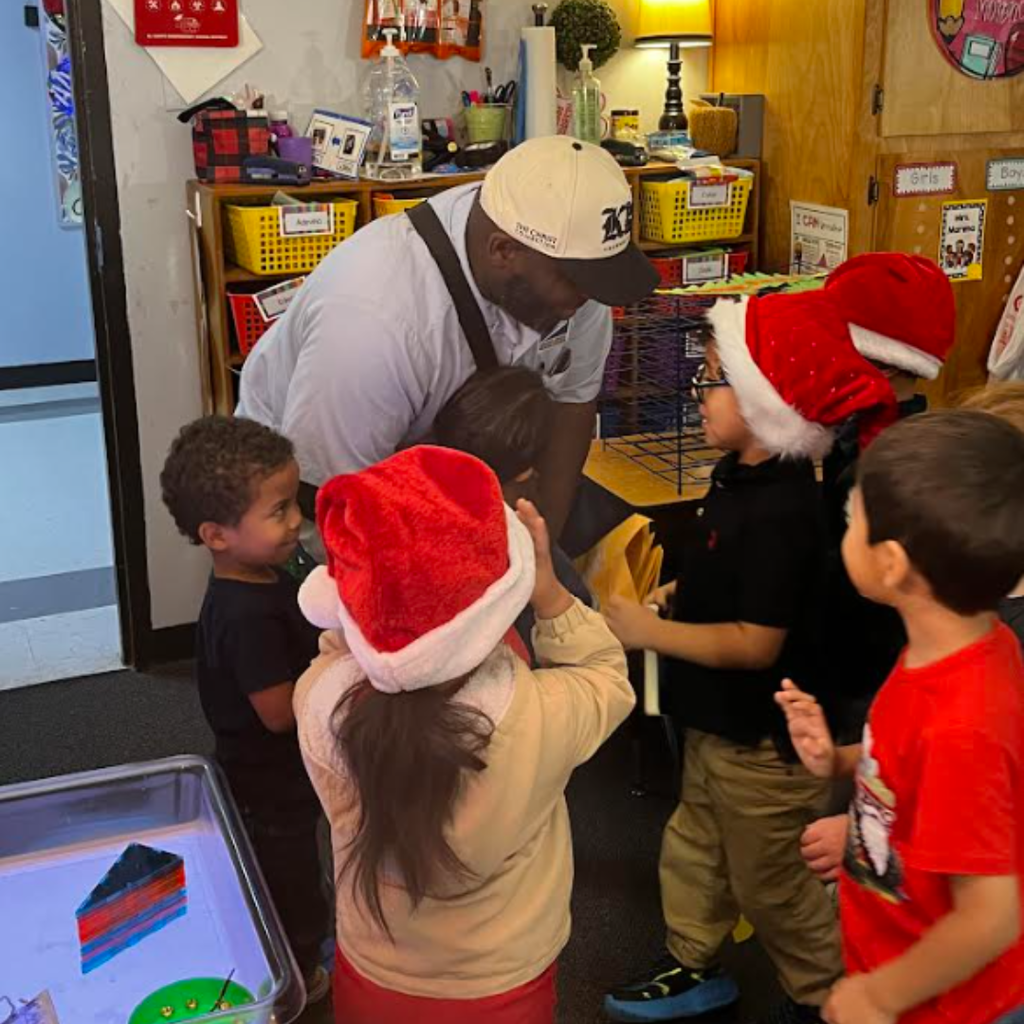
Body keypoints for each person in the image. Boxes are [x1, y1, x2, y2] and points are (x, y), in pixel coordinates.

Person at [602, 288, 897, 1024]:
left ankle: (826, 995)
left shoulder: (782, 510)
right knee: (696, 843)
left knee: (773, 882)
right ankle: (693, 962)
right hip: (717, 725)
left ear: (767, 404)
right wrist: (677, 594)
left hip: (767, 745)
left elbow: (754, 641)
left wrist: (648, 632)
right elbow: (728, 580)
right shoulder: (741, 478)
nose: (697, 395)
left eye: (713, 379)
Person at [292, 445, 635, 1023]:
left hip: (371, 973)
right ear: (501, 588)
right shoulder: (535, 717)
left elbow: (338, 651)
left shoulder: (319, 704)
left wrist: (372, 616)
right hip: (500, 986)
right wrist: (548, 590)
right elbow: (605, 675)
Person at [236, 136, 658, 544]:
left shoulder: (573, 280)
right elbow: (328, 501)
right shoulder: (376, 323)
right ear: (503, 252)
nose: (586, 300)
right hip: (305, 503)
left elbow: (573, 407)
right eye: (575, 281)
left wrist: (543, 558)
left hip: (444, 483)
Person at [777, 411, 1024, 1024]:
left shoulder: (962, 720)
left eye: (850, 518)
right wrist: (838, 759)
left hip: (942, 1003)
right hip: (895, 957)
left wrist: (880, 995)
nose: (844, 529)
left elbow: (993, 914)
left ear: (890, 563)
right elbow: (913, 762)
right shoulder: (961, 646)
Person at [159, 416, 331, 1002]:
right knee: (290, 886)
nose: (297, 523)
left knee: (295, 870)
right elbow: (279, 713)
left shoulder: (277, 564)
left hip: (283, 776)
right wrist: (339, 667)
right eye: (279, 511)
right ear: (217, 535)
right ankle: (296, 982)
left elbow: (315, 592)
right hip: (269, 785)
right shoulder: (244, 614)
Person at [432, 366, 594, 656]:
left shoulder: (413, 518)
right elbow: (576, 621)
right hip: (515, 685)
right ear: (526, 471)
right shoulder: (525, 546)